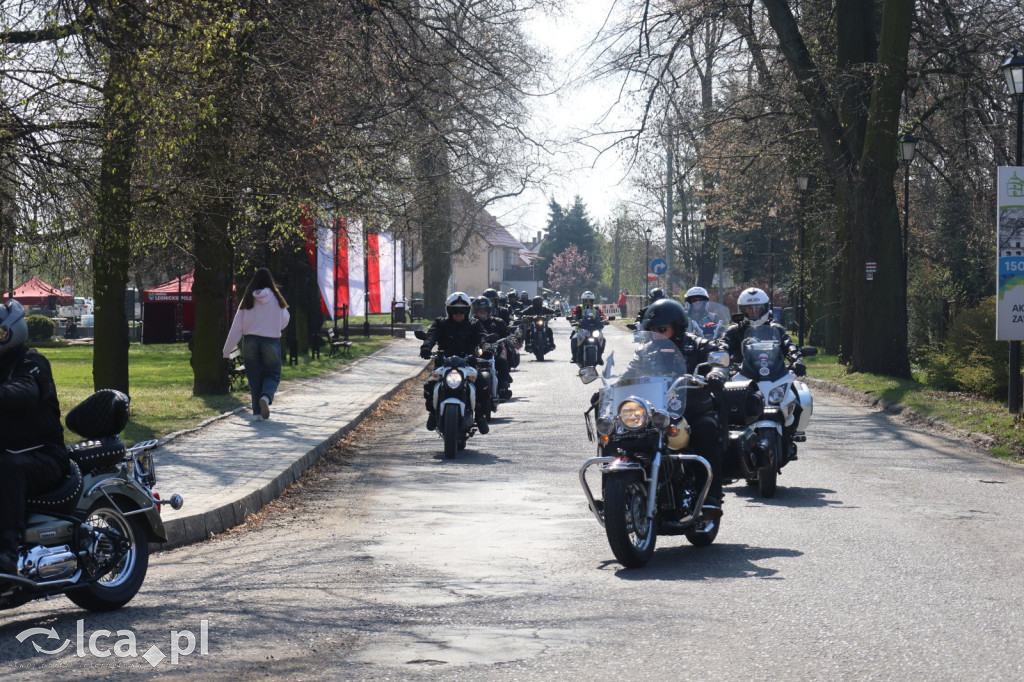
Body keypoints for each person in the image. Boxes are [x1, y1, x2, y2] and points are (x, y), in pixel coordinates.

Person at [639, 298, 726, 519]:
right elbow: (631, 373)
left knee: (706, 429)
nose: (656, 335)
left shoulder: (696, 344)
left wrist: (716, 371)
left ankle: (710, 497)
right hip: (656, 412)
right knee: (620, 434)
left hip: (691, 409)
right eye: (652, 331)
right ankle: (618, 494)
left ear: (677, 328)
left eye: (662, 329)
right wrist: (611, 390)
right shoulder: (646, 351)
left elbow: (717, 354)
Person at [0, 299, 70, 575]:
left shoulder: (32, 362)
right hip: (13, 453)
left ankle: (7, 551)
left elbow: (24, 392)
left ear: (12, 331)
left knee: (5, 468)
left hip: (45, 455)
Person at [223, 268, 291, 422]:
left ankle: (257, 414)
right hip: (271, 340)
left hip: (250, 341)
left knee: (254, 377)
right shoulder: (276, 298)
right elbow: (285, 319)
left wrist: (226, 351)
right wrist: (274, 326)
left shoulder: (247, 298)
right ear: (270, 281)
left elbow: (237, 326)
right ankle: (266, 398)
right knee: (273, 373)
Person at [419, 292, 491, 434]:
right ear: (449, 311)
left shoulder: (474, 324)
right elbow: (431, 336)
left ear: (468, 311)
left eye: (462, 310)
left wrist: (487, 348)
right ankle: (433, 413)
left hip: (468, 364)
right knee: (429, 385)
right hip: (444, 364)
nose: (459, 314)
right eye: (455, 310)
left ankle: (480, 416)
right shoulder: (440, 323)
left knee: (483, 384)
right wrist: (426, 347)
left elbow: (483, 337)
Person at [722, 287, 804, 374]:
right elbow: (723, 347)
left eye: (758, 309)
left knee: (799, 387)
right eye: (750, 309)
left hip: (775, 375)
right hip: (741, 377)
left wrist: (797, 358)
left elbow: (788, 344)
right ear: (742, 310)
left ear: (765, 309)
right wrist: (720, 364)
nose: (754, 312)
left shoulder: (776, 329)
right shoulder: (734, 331)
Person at [471, 297, 513, 399]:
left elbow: (507, 334)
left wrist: (505, 337)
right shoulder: (470, 323)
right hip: (475, 354)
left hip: (494, 352)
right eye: (479, 311)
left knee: (502, 362)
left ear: (489, 311)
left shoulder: (498, 322)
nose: (482, 313)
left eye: (484, 311)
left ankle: (503, 387)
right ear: (474, 311)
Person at [568, 291, 606, 363]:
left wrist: (605, 320)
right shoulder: (579, 307)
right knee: (574, 339)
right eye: (586, 301)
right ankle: (574, 356)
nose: (588, 302)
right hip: (581, 329)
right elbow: (573, 314)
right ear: (582, 301)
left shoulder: (596, 308)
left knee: (603, 339)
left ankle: (599, 356)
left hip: (595, 329)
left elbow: (602, 315)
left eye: (590, 301)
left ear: (593, 301)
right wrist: (573, 319)